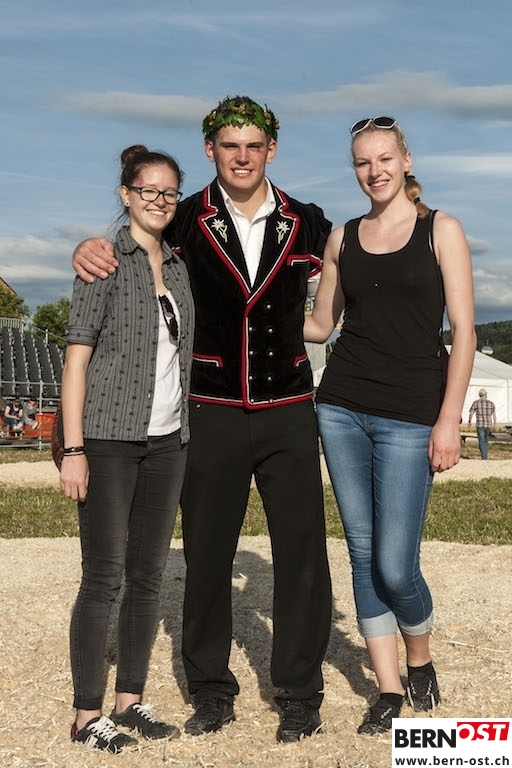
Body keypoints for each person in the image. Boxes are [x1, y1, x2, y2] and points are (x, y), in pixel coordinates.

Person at [72, 96, 332, 744]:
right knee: (208, 555)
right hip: (211, 408)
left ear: (272, 150)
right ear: (210, 150)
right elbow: (129, 244)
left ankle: (300, 691)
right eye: (229, 145)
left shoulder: (310, 222)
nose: (242, 157)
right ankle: (212, 690)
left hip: (288, 407)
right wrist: (89, 246)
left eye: (253, 145)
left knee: (302, 554)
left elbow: (345, 287)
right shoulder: (185, 218)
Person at [305, 116, 476, 735]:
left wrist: (449, 419)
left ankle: (419, 658)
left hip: (411, 413)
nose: (373, 171)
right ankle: (387, 689)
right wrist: (252, 306)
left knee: (396, 565)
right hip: (341, 407)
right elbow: (320, 325)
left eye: (383, 159)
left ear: (406, 160)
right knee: (361, 553)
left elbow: (464, 333)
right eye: (362, 162)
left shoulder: (441, 230)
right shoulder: (343, 237)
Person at [61, 145, 194, 753]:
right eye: (148, 191)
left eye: (169, 192)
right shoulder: (103, 263)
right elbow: (77, 360)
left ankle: (129, 702)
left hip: (168, 442)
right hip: (108, 439)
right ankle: (87, 715)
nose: (159, 201)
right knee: (103, 578)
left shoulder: (181, 268)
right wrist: (74, 449)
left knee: (147, 577)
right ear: (126, 194)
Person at [468, 388, 496, 459]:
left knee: (481, 440)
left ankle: (484, 457)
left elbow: (471, 413)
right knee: (486, 440)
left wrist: (469, 421)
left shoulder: (476, 403)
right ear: (485, 395)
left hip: (480, 424)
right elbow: (494, 414)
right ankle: (485, 456)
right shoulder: (491, 403)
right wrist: (495, 424)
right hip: (488, 424)